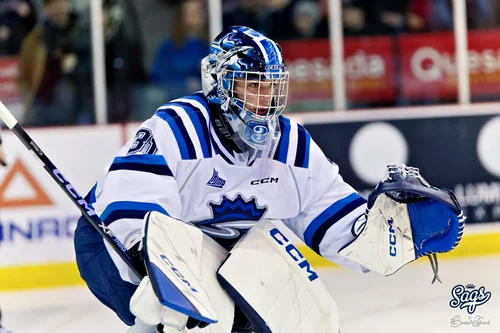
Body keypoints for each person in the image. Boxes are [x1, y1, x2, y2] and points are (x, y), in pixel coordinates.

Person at [74, 26, 464, 333]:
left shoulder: (290, 146)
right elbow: (130, 206)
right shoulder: (180, 126)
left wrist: (389, 235)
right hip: (111, 241)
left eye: (272, 87)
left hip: (210, 250)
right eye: (253, 85)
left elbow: (336, 223)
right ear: (221, 84)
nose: (266, 100)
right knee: (166, 316)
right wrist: (161, 272)